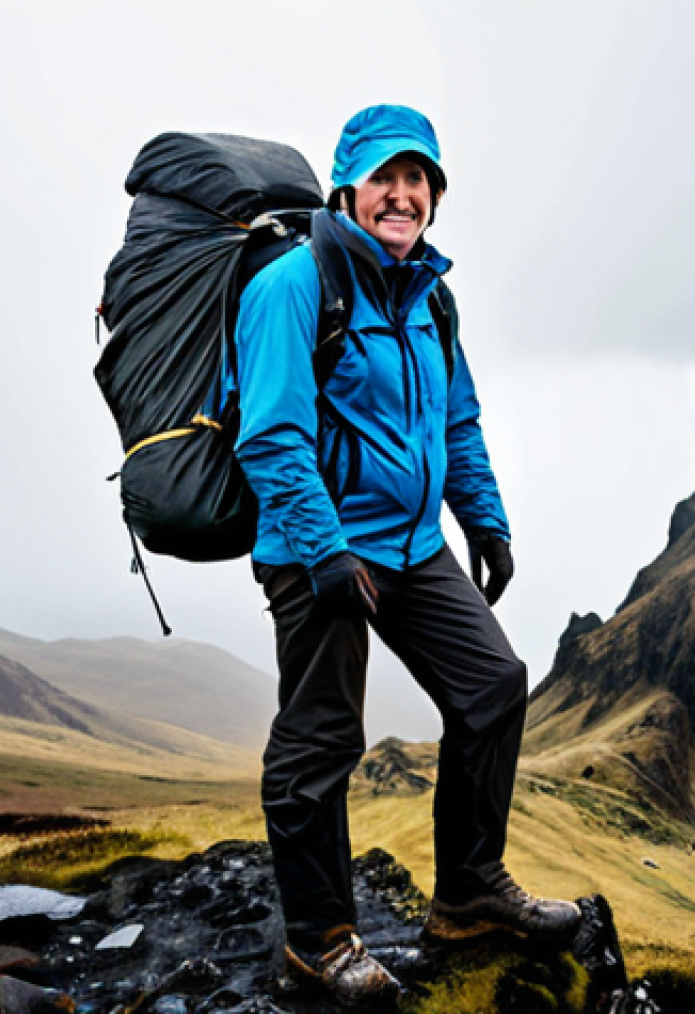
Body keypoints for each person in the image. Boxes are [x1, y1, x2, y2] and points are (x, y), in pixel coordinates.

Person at [226, 104, 581, 1005]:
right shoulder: (295, 285)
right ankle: (317, 941)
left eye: (418, 179)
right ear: (349, 185)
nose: (402, 194)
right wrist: (324, 552)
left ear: (433, 196)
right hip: (321, 549)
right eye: (386, 176)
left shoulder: (429, 294)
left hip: (413, 546)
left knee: (493, 685)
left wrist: (485, 519)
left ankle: (467, 893)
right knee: (320, 739)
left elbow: (454, 419)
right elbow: (270, 437)